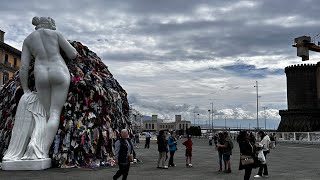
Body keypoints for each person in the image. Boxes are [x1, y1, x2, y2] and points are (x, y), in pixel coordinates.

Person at [20, 16, 78, 156]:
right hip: (59, 71)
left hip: (40, 74)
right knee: (54, 113)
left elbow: (23, 67)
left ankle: (35, 142)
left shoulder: (28, 40)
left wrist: (25, 89)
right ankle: (42, 151)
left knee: (45, 115)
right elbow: (72, 54)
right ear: (50, 24)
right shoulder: (55, 34)